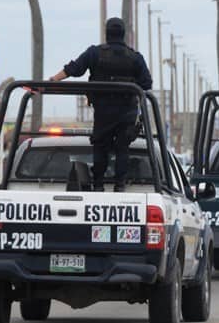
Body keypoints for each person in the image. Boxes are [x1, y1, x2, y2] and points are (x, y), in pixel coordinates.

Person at [49, 17, 152, 192]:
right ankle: (120, 185)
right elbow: (147, 83)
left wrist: (52, 81)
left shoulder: (94, 53)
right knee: (122, 148)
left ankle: (98, 184)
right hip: (127, 112)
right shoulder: (135, 58)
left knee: (100, 146)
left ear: (106, 33)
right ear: (123, 34)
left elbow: (73, 69)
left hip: (103, 112)